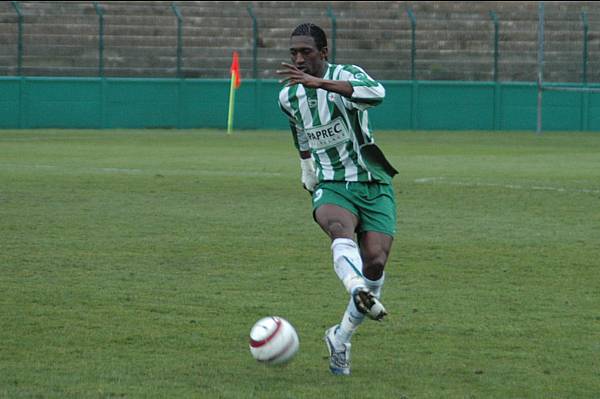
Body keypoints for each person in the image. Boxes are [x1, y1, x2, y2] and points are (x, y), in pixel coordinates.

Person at [276, 23, 398, 376]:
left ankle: (340, 336)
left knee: (374, 261)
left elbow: (377, 93)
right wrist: (305, 165)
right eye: (293, 53)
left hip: (372, 180)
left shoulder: (347, 74)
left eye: (306, 53)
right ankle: (357, 287)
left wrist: (323, 84)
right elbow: (298, 126)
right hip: (331, 182)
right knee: (337, 228)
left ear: (324, 53)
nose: (298, 59)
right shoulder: (288, 96)